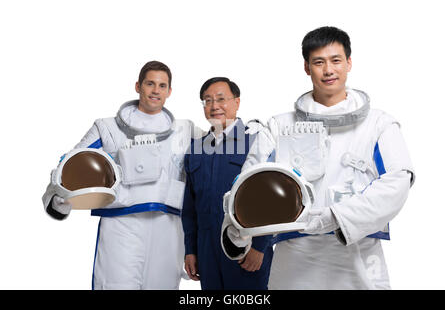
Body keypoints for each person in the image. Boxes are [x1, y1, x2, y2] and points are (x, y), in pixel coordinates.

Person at [222, 26, 415, 289]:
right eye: (319, 62)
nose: (328, 70)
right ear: (306, 67)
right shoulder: (278, 126)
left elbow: (397, 182)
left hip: (359, 254)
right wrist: (236, 226)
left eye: (336, 60)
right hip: (295, 257)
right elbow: (246, 185)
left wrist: (335, 216)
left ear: (349, 63)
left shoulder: (379, 124)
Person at [42, 61, 196, 289]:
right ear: (138, 86)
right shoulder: (107, 128)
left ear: (169, 91)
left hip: (169, 227)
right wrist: (58, 198)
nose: (156, 90)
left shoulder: (187, 131)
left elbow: (208, 171)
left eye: (162, 86)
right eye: (150, 83)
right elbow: (71, 163)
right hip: (122, 224)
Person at [182, 77, 273, 290]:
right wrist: (191, 249)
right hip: (207, 250)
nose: (214, 106)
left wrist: (260, 247)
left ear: (237, 102)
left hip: (246, 246)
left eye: (221, 99)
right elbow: (190, 208)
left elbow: (271, 199)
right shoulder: (196, 149)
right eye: (208, 100)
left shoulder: (256, 141)